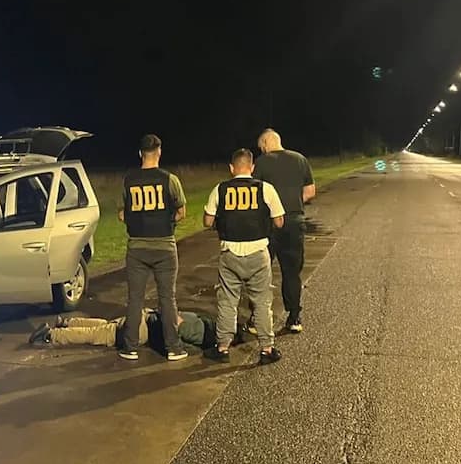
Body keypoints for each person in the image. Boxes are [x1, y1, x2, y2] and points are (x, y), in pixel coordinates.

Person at [203, 148, 285, 364]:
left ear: (231, 168)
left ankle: (222, 347)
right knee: (261, 302)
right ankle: (267, 349)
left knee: (228, 301)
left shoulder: (220, 189)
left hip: (230, 253)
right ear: (252, 168)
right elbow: (279, 221)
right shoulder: (265, 188)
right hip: (258, 252)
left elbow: (207, 221)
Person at [119, 134, 188, 361]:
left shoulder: (128, 180)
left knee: (135, 299)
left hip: (137, 247)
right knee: (167, 298)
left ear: (140, 153)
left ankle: (130, 347)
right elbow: (181, 211)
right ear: (159, 152)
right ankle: (173, 348)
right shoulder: (170, 179)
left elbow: (122, 213)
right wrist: (167, 223)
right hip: (164, 247)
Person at [252, 129, 315, 333]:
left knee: (262, 272)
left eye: (261, 147)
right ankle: (294, 317)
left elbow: (255, 193)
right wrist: (293, 202)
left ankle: (257, 318)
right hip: (294, 222)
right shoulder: (300, 159)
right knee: (291, 272)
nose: (261, 150)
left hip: (268, 225)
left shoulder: (262, 163)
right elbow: (310, 191)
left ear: (265, 143)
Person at [28, 309, 214, 351]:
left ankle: (66, 324)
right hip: (145, 327)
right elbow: (177, 324)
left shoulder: (201, 323)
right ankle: (53, 334)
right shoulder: (202, 331)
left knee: (106, 327)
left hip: (146, 319)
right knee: (103, 333)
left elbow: (177, 319)